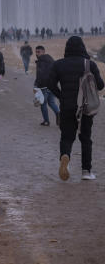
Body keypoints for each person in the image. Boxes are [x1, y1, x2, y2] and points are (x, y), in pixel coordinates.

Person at [46, 36, 104, 181]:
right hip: (85, 107)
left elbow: (50, 84)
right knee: (86, 138)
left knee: (66, 137)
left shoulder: (59, 64)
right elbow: (101, 85)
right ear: (82, 47)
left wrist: (61, 96)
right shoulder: (89, 64)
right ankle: (86, 171)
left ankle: (65, 156)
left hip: (66, 106)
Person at [33, 45, 60, 127]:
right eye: (36, 52)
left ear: (43, 52)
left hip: (44, 86)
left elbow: (41, 75)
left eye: (39, 52)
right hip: (52, 85)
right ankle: (59, 114)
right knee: (51, 102)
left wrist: (36, 85)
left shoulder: (42, 61)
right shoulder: (51, 60)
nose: (37, 54)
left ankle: (46, 121)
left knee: (43, 104)